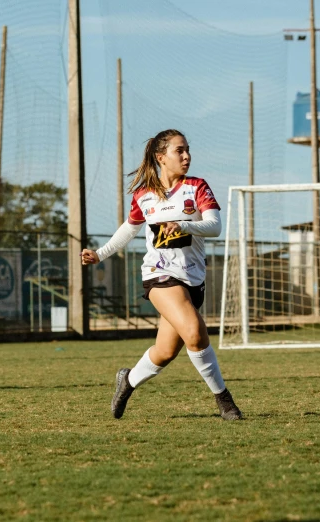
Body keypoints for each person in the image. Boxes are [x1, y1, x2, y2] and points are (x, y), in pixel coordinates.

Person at [81, 129, 242, 421]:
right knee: (194, 331)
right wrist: (101, 253)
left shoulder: (197, 187)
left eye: (187, 150)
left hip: (192, 279)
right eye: (179, 151)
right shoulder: (144, 195)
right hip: (159, 275)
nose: (186, 156)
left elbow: (215, 226)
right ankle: (225, 402)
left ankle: (127, 381)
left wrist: (183, 225)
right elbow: (129, 229)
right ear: (160, 157)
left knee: (165, 352)